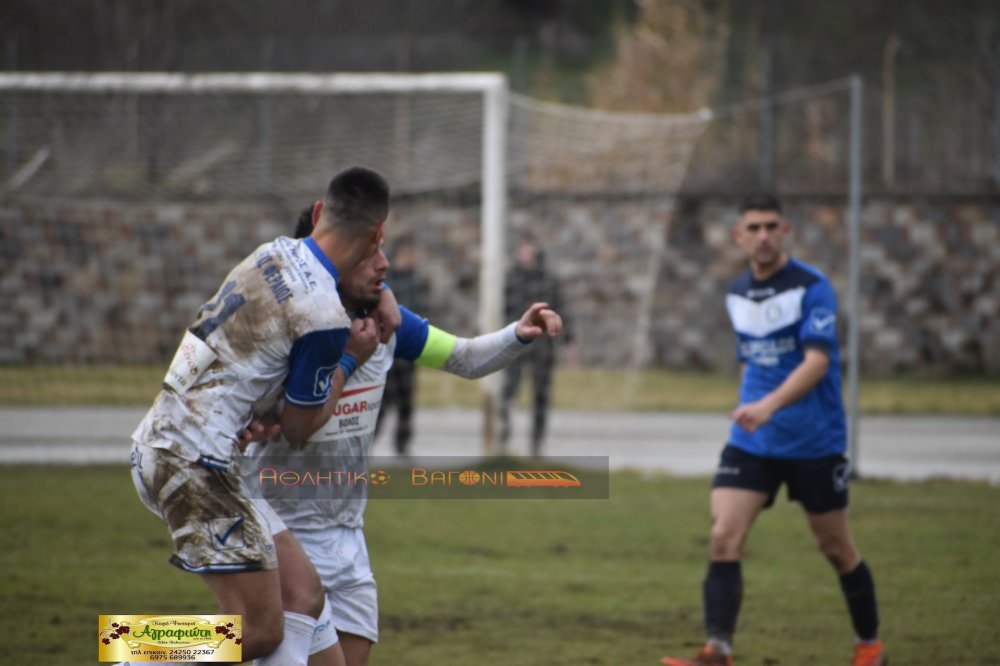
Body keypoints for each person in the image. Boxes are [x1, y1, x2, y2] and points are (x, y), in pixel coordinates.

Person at [241, 210, 564, 666]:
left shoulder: (389, 325)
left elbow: (465, 358)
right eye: (369, 252)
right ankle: (140, 646)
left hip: (345, 534)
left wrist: (518, 333)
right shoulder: (286, 328)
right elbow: (245, 416)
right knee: (258, 637)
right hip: (277, 523)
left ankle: (138, 647)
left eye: (381, 248)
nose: (385, 264)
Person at [126, 166, 393, 666]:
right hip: (195, 463)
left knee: (305, 594)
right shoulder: (325, 320)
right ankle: (129, 650)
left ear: (318, 213)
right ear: (377, 234)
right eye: (379, 249)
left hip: (173, 443)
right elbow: (297, 428)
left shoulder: (271, 252)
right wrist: (352, 359)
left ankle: (131, 649)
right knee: (262, 630)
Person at [661, 193, 885, 666]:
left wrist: (767, 405)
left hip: (813, 441)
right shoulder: (737, 292)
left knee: (837, 548)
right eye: (753, 228)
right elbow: (753, 360)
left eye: (771, 226)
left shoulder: (812, 287)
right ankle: (717, 650)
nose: (762, 236)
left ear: (785, 231)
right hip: (753, 441)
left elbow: (818, 363)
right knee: (724, 535)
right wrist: (752, 410)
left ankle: (870, 648)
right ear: (738, 236)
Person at [498, 232, 573, 456]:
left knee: (541, 396)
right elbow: (501, 309)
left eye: (529, 250)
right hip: (516, 346)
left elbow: (562, 311)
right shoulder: (511, 279)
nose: (525, 255)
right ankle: (503, 435)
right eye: (522, 250)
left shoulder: (549, 281)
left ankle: (536, 444)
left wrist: (568, 340)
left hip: (542, 349)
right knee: (508, 391)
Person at [373, 233, 429, 455]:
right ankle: (369, 441)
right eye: (409, 253)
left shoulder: (416, 281)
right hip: (386, 350)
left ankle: (402, 446)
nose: (412, 258)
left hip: (407, 352)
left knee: (407, 402)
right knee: (382, 401)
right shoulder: (387, 282)